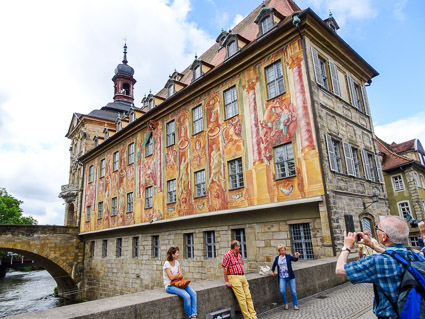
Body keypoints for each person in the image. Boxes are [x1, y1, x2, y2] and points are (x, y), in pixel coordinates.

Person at [335, 215, 420, 318]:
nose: (376, 231)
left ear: (384, 236)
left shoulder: (377, 261)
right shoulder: (417, 256)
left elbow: (340, 269)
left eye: (377, 228)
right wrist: (372, 245)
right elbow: (396, 256)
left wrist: (346, 247)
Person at [222, 240, 257, 319]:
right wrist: (226, 281)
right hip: (234, 277)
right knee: (242, 299)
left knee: (248, 297)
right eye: (238, 246)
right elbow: (225, 268)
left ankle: (254, 316)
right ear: (235, 247)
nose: (240, 247)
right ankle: (247, 317)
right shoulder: (227, 255)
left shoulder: (239, 255)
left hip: (242, 276)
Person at [163, 246, 197, 319]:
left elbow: (181, 275)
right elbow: (171, 278)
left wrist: (177, 275)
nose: (178, 254)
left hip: (179, 283)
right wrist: (178, 274)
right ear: (173, 255)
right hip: (170, 286)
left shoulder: (177, 262)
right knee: (187, 296)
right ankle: (190, 316)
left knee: (193, 294)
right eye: (177, 253)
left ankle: (194, 314)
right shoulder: (167, 264)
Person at [271, 244, 300, 310]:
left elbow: (295, 259)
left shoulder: (288, 256)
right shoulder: (277, 258)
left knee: (293, 291)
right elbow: (274, 265)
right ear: (279, 251)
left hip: (290, 277)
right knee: (282, 291)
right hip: (282, 277)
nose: (283, 251)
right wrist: (272, 271)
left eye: (284, 250)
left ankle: (295, 305)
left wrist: (297, 255)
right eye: (282, 250)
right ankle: (285, 304)